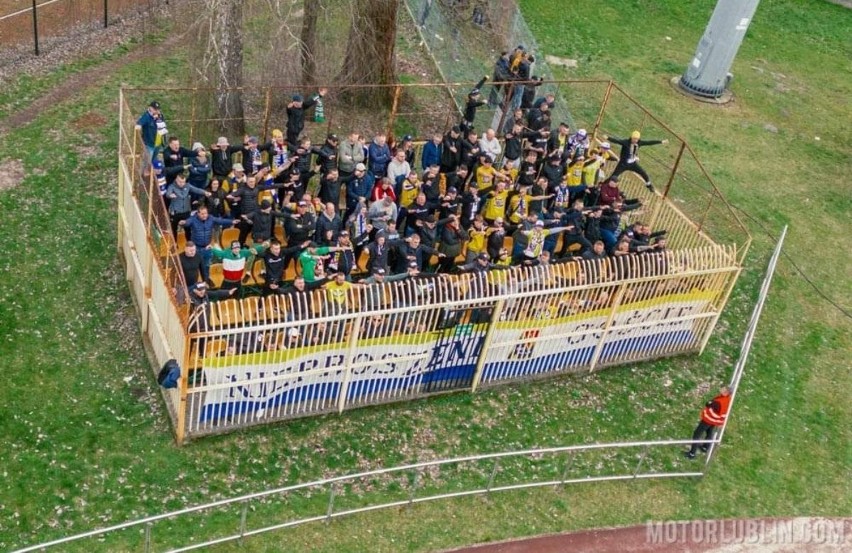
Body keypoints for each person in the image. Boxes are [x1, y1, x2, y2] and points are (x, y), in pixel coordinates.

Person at [178, 205, 239, 284]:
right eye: (202, 214)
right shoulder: (193, 219)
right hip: (196, 248)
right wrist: (184, 222)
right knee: (195, 266)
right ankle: (195, 282)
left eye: (206, 213)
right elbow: (187, 222)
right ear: (198, 214)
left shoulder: (211, 218)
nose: (205, 215)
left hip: (207, 247)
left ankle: (206, 279)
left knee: (207, 265)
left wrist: (231, 221)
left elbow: (221, 221)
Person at [604, 130, 669, 191]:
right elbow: (617, 141)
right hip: (623, 164)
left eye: (637, 139)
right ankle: (602, 185)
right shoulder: (626, 142)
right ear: (631, 137)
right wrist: (608, 138)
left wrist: (661, 142)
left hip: (633, 164)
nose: (635, 140)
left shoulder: (639, 143)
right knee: (614, 176)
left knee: (643, 172)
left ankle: (648, 184)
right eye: (634, 139)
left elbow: (649, 142)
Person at [685, 386, 732, 459]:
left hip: (708, 419)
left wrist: (710, 402)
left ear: (726, 393)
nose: (721, 389)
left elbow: (708, 404)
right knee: (709, 432)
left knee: (697, 434)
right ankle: (705, 447)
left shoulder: (718, 402)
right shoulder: (726, 399)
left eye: (723, 389)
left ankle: (692, 453)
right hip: (714, 420)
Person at [136, 100, 165, 179]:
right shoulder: (146, 116)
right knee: (147, 159)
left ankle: (152, 170)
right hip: (150, 143)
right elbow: (139, 123)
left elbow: (162, 126)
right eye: (155, 109)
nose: (157, 111)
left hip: (158, 142)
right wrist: (139, 126)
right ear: (150, 108)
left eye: (158, 109)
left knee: (154, 157)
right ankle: (144, 173)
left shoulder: (160, 116)